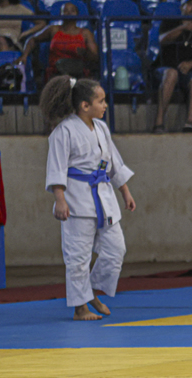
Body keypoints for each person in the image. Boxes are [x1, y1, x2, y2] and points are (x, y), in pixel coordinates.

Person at [44, 76, 136, 321]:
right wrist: (60, 199)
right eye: (101, 101)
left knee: (116, 249)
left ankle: (91, 291)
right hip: (76, 200)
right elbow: (57, 167)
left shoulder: (102, 128)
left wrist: (125, 192)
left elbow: (113, 162)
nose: (105, 105)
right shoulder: (63, 131)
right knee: (78, 256)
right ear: (85, 105)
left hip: (104, 197)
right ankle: (80, 308)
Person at [153, 0, 192, 132]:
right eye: (190, 5)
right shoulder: (171, 22)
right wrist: (183, 27)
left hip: (186, 70)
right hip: (164, 68)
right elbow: (163, 40)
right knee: (172, 73)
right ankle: (159, 122)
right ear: (183, 7)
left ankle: (190, 122)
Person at [18, 2, 99, 81]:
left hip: (78, 74)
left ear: (77, 14)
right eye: (66, 10)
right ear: (61, 14)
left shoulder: (85, 33)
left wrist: (85, 53)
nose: (69, 13)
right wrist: (24, 55)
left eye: (72, 10)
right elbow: (32, 39)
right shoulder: (53, 29)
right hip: (55, 74)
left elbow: (95, 56)